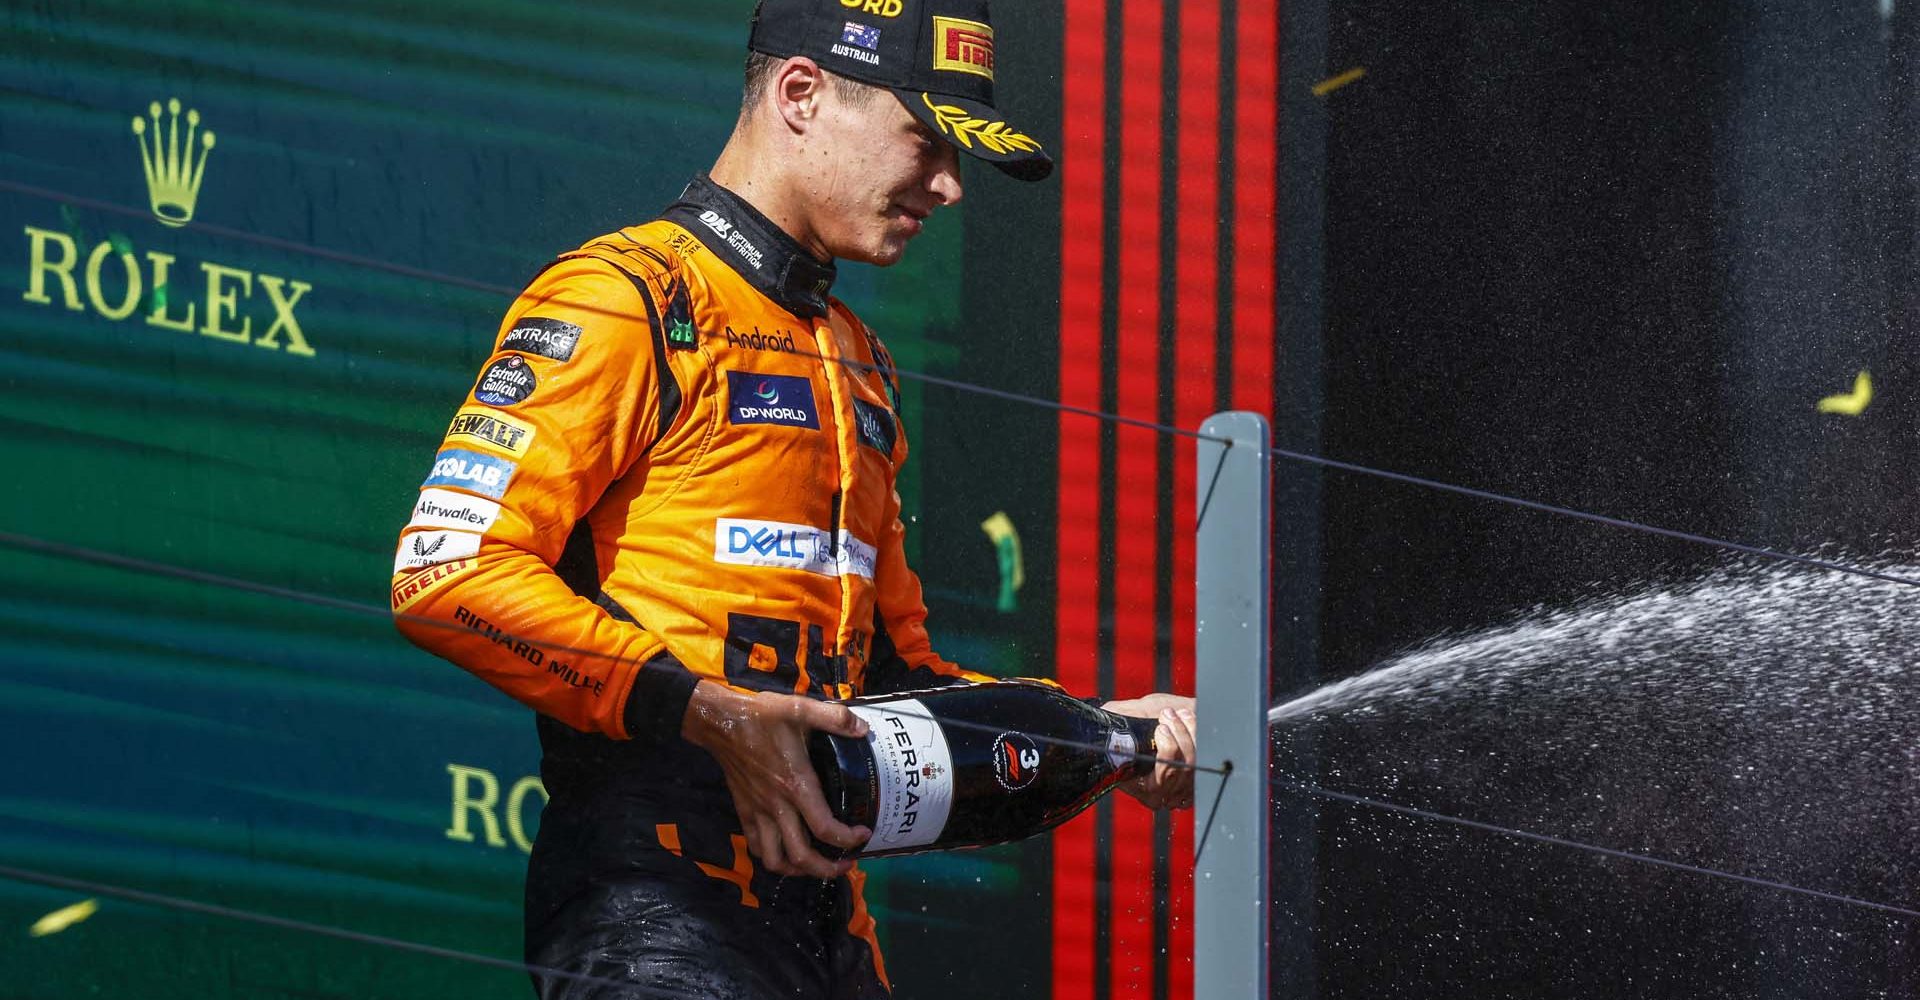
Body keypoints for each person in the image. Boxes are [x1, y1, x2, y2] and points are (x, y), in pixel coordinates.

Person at [389, 1, 1197, 996]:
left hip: (824, 937)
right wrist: (710, 713)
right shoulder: (625, 295)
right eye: (928, 142)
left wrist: (1097, 732)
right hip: (653, 919)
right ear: (801, 94)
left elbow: (899, 676)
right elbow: (445, 570)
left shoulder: (862, 363)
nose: (946, 186)